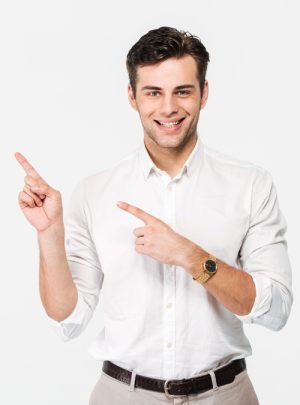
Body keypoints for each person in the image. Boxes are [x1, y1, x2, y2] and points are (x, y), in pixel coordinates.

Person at [15, 26, 293, 405]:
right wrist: (48, 235)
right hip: (122, 395)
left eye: (182, 91)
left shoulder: (250, 185)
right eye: (153, 92)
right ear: (132, 96)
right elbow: (68, 319)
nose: (167, 108)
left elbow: (275, 310)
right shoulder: (94, 192)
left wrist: (192, 257)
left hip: (225, 395)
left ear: (204, 93)